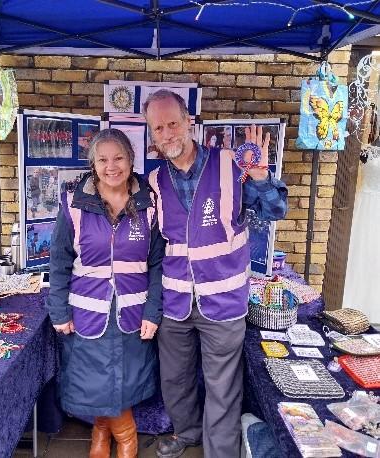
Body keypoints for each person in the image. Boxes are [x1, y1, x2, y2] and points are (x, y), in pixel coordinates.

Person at [143, 89, 288, 458]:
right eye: (158, 128)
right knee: (175, 380)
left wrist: (260, 177)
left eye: (173, 123)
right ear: (152, 135)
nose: (167, 133)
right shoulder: (155, 182)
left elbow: (275, 210)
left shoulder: (231, 164)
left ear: (189, 122)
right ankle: (187, 433)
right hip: (176, 302)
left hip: (223, 301)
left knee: (222, 386)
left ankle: (219, 452)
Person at [46, 128, 165, 458]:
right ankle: (121, 435)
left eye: (119, 158)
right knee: (98, 383)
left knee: (123, 382)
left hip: (133, 313)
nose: (111, 166)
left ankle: (106, 432)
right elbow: (58, 262)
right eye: (103, 160)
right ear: (93, 164)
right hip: (87, 314)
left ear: (131, 159)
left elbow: (158, 265)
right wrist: (59, 311)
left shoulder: (149, 204)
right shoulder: (74, 206)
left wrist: (153, 312)